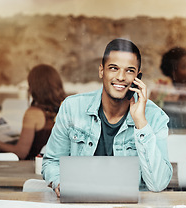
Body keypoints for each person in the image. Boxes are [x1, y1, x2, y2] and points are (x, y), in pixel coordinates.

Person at [42, 38, 173, 197]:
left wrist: (140, 122)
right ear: (101, 71)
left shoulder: (155, 117)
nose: (121, 77)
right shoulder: (72, 108)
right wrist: (60, 182)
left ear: (138, 77)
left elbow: (158, 184)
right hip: (80, 203)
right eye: (113, 68)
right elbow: (52, 162)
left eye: (129, 70)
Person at [0, 64, 67, 160]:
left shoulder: (33, 113)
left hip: (37, 169)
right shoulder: (68, 107)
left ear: (34, 87)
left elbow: (21, 152)